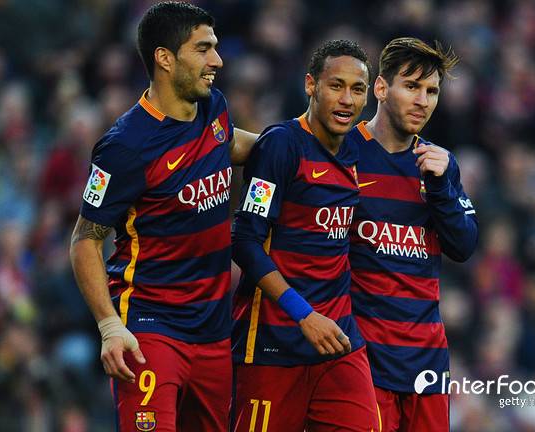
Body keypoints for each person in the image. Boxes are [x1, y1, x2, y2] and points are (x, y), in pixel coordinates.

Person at [69, 2, 257, 431]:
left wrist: (294, 150)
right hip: (152, 328)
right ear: (165, 58)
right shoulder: (125, 147)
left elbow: (229, 144)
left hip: (214, 330)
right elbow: (85, 239)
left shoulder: (214, 108)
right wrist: (109, 325)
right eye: (203, 49)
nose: (217, 60)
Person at [231, 40, 379, 432]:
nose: (346, 99)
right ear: (311, 85)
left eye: (357, 89)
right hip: (273, 343)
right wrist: (304, 314)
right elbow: (244, 241)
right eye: (336, 86)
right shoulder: (282, 145)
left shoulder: (357, 154)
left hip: (339, 342)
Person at [348, 37, 479, 432]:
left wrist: (440, 189)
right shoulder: (344, 153)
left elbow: (464, 245)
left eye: (432, 91)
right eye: (411, 86)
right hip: (363, 358)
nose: (423, 100)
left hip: (428, 361)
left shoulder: (439, 163)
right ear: (381, 88)